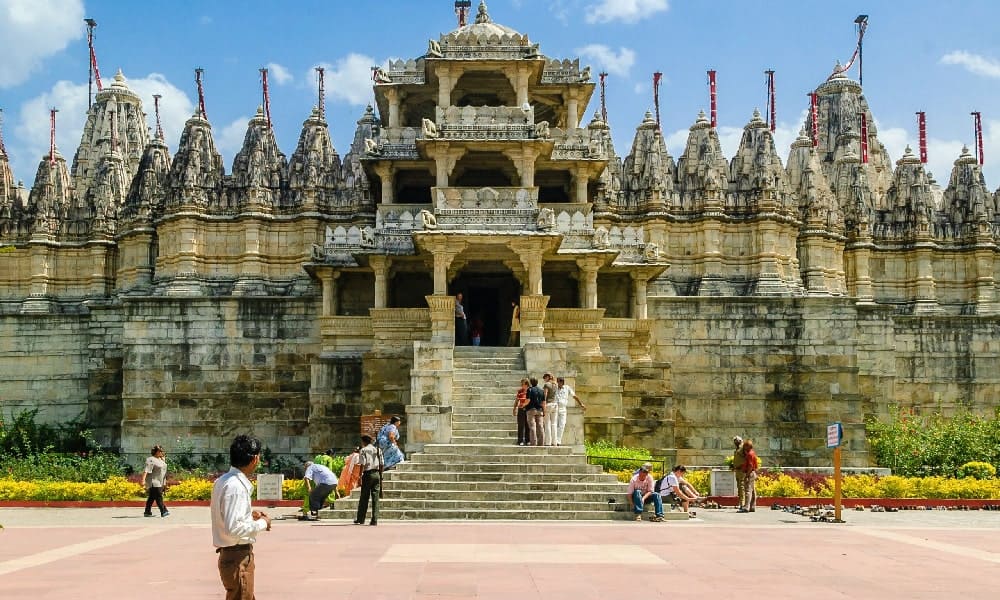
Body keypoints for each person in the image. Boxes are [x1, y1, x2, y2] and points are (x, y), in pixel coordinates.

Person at [211, 434, 271, 600]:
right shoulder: (236, 486)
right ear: (255, 459)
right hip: (237, 557)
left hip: (232, 556)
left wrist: (249, 516)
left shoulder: (224, 481)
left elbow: (226, 516)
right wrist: (262, 523)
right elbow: (234, 528)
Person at [355, 434, 381, 526]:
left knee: (364, 498)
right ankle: (374, 519)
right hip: (377, 474)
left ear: (364, 441)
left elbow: (363, 464)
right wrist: (380, 475)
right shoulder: (378, 450)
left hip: (367, 474)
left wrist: (359, 476)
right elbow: (382, 463)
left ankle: (360, 519)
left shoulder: (363, 450)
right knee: (375, 498)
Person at [553, 376, 585, 446]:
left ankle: (558, 441)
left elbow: (574, 396)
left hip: (563, 408)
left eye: (559, 382)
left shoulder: (567, 388)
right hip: (555, 408)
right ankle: (554, 440)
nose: (558, 383)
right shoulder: (554, 388)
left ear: (562, 382)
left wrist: (581, 404)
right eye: (557, 382)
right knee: (554, 424)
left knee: (562, 424)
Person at [142, 445, 169, 518]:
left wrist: (165, 482)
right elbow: (146, 470)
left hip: (160, 481)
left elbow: (164, 471)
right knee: (159, 496)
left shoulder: (161, 460)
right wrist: (143, 480)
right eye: (160, 451)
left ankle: (147, 512)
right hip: (154, 481)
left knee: (152, 497)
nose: (162, 452)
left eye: (162, 451)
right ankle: (163, 511)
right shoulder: (151, 459)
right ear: (156, 452)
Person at [739, 439, 759, 513]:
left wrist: (747, 475)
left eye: (745, 446)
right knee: (753, 490)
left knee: (747, 490)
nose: (744, 447)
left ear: (748, 447)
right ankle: (752, 506)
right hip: (753, 473)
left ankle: (746, 507)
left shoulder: (750, 454)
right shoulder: (753, 453)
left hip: (749, 473)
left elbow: (750, 466)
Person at [525, 376, 546, 446]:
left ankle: (533, 443)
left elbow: (528, 400)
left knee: (532, 427)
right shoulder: (541, 390)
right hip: (539, 410)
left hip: (531, 410)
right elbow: (543, 403)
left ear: (531, 382)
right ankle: (541, 443)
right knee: (540, 426)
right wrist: (544, 411)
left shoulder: (529, 390)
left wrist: (523, 405)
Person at [511, 377, 530, 445]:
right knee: (520, 425)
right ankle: (520, 440)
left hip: (528, 410)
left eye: (522, 384)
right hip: (521, 409)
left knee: (528, 425)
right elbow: (517, 400)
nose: (521, 385)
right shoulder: (520, 391)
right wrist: (514, 408)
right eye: (521, 384)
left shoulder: (530, 391)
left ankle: (528, 440)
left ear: (526, 384)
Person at [541, 372, 558, 446]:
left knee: (547, 424)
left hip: (548, 404)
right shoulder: (556, 384)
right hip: (555, 404)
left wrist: (543, 406)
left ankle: (548, 442)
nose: (544, 379)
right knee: (554, 424)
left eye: (545, 377)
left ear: (547, 377)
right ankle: (555, 442)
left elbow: (544, 396)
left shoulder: (547, 385)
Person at [731, 435, 747, 508]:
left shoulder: (743, 449)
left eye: (737, 440)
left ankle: (743, 504)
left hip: (742, 471)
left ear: (740, 441)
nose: (735, 442)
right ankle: (740, 503)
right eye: (735, 441)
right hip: (737, 471)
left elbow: (747, 458)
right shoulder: (737, 449)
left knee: (742, 487)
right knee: (739, 488)